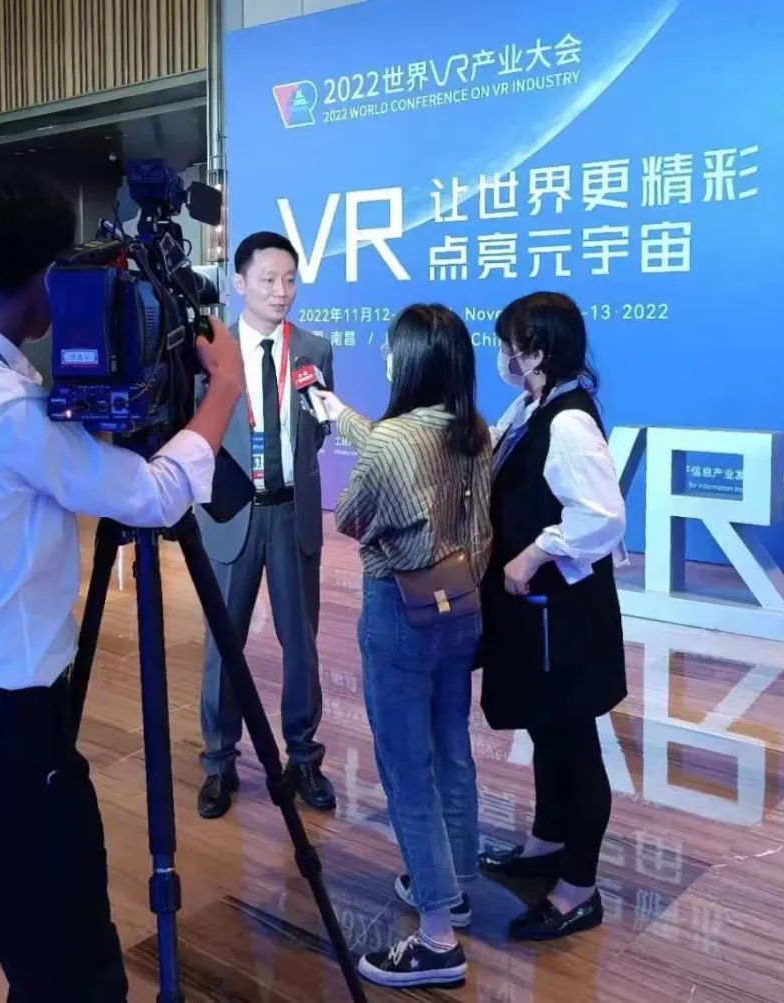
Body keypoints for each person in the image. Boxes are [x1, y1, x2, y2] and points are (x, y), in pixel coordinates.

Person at [0, 168, 244, 1002]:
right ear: (48, 282)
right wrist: (221, 390)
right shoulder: (6, 410)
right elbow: (154, 494)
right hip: (1, 738)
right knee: (72, 975)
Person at [317, 304, 492, 989]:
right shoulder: (470, 428)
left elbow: (352, 514)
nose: (387, 359)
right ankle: (456, 885)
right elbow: (406, 462)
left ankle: (437, 936)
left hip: (401, 610)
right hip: (461, 605)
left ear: (413, 360)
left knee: (405, 768)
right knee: (451, 749)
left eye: (393, 350)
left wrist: (357, 434)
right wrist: (343, 417)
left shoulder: (394, 441)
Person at [477, 291, 627, 941]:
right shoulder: (532, 405)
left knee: (573, 740)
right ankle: (545, 842)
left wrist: (535, 551)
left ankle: (578, 889)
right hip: (534, 611)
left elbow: (601, 517)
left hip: (562, 615)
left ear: (536, 352)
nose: (504, 356)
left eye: (511, 345)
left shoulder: (568, 422)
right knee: (546, 729)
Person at [194, 231, 336, 819]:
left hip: (291, 512)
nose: (282, 291)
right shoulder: (209, 349)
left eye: (290, 279)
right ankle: (218, 762)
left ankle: (303, 757)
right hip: (232, 513)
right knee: (223, 643)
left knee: (300, 642)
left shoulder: (314, 348)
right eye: (269, 280)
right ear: (239, 282)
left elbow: (318, 427)